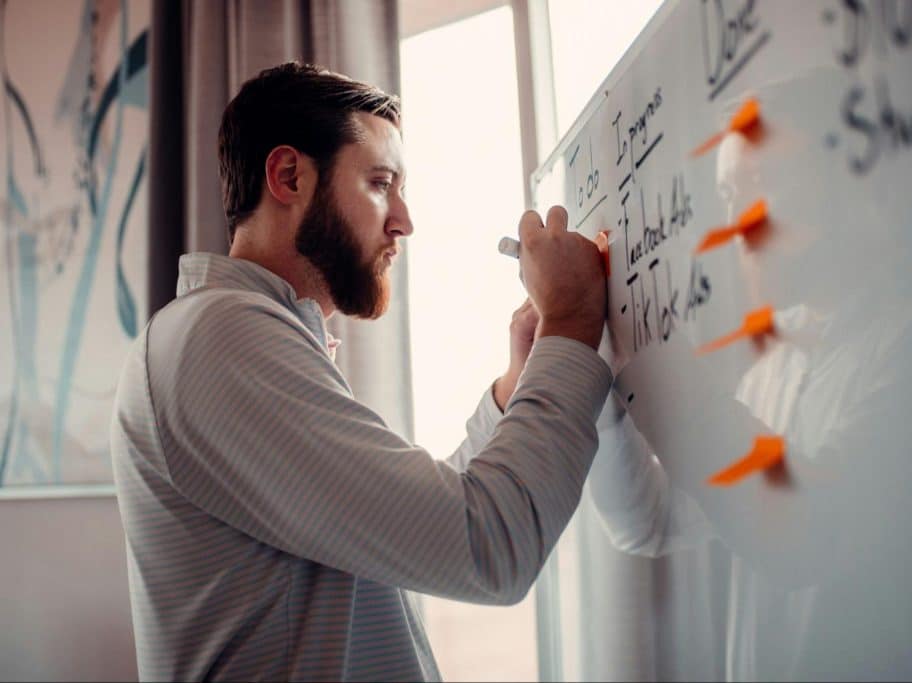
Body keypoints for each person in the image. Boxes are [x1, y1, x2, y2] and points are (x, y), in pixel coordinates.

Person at [110, 62, 610, 682]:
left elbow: (406, 530)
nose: (403, 220)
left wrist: (515, 389)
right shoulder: (221, 337)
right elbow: (487, 545)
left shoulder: (236, 337)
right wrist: (570, 322)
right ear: (288, 176)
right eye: (381, 183)